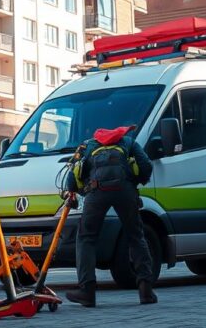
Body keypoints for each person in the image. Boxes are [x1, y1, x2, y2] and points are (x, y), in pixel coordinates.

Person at [65, 125, 157, 307]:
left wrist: (79, 190)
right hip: (125, 191)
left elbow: (72, 176)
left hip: (96, 191)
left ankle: (87, 292)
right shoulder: (129, 142)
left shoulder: (88, 145)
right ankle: (146, 290)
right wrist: (134, 183)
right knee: (136, 236)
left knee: (86, 238)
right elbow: (146, 165)